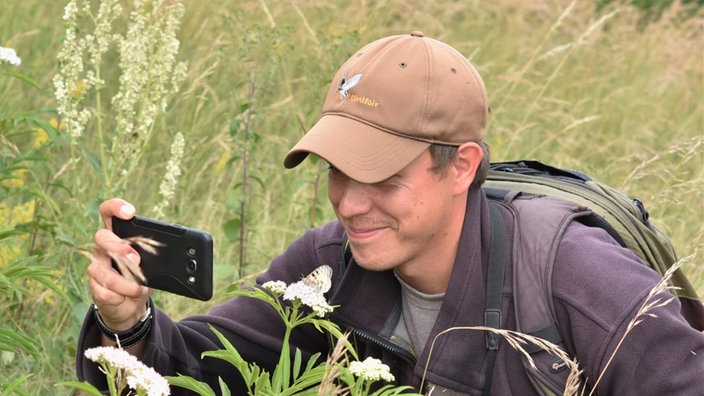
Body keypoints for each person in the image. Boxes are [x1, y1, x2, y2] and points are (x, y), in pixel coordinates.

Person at [77, 32, 704, 395]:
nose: (349, 203)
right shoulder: (326, 268)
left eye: (380, 175)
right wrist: (126, 325)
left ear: (461, 166)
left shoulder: (576, 279)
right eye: (337, 169)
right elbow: (194, 378)